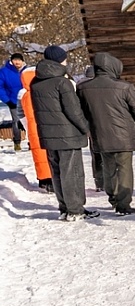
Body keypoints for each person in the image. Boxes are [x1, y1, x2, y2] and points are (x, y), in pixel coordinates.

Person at [29, 45, 96, 221]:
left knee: (57, 172)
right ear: (60, 60)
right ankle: (76, 210)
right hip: (68, 134)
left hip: (48, 134)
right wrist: (86, 128)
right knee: (71, 172)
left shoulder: (35, 82)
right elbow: (73, 111)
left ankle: (65, 208)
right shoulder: (62, 82)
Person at [76, 52, 135, 216]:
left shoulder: (83, 88)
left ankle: (113, 198)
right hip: (123, 135)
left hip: (99, 134)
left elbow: (81, 111)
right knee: (124, 168)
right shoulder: (124, 87)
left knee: (108, 167)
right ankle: (124, 204)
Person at [18, 65, 52, 191]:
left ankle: (44, 180)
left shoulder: (22, 95)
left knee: (38, 154)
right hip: (48, 125)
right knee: (50, 153)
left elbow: (20, 113)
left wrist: (27, 126)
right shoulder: (45, 90)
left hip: (33, 128)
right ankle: (54, 179)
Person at [0, 52, 26, 152]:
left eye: (19, 60)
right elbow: (0, 87)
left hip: (27, 100)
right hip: (13, 101)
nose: (17, 62)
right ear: (11, 61)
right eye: (15, 60)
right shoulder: (4, 71)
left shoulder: (27, 71)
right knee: (16, 121)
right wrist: (7, 100)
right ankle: (17, 142)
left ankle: (32, 142)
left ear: (22, 61)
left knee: (30, 121)